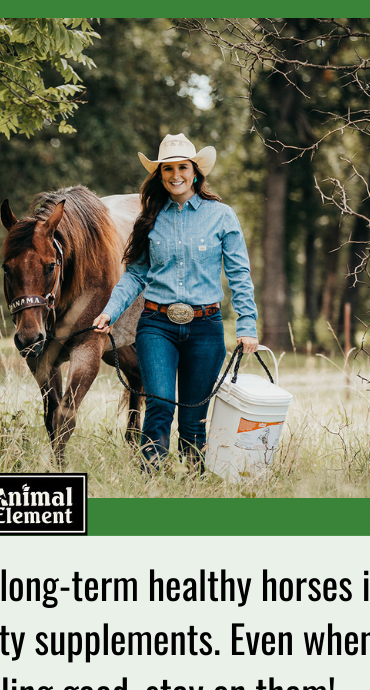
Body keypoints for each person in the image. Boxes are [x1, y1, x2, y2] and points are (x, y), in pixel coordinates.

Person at [93, 133, 259, 471]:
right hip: (157, 326)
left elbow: (240, 275)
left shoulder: (222, 216)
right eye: (167, 169)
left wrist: (247, 325)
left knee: (193, 415)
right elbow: (135, 275)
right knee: (159, 403)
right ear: (161, 175)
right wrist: (109, 311)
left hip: (205, 327)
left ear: (195, 172)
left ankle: (193, 476)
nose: (175, 175)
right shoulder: (150, 219)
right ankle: (151, 479)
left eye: (182, 167)